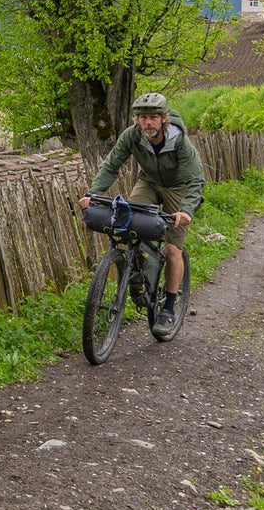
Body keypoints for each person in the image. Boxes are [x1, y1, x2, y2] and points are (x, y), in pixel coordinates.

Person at [77, 92, 205, 337]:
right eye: (143, 117)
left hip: (178, 189)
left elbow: (196, 179)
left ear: (164, 119)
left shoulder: (179, 141)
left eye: (153, 118)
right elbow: (112, 164)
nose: (148, 122)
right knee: (130, 224)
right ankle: (139, 272)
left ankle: (168, 308)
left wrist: (186, 210)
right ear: (137, 120)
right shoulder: (132, 136)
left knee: (171, 249)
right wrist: (93, 193)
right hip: (148, 182)